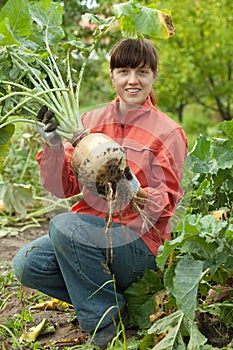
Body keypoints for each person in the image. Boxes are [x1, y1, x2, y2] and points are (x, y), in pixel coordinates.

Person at [12, 38, 188, 349]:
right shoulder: (89, 123)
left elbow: (165, 203)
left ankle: (105, 324)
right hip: (85, 239)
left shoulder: (168, 131)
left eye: (141, 72)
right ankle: (124, 304)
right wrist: (53, 145)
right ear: (112, 76)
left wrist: (128, 183)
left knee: (65, 226)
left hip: (137, 247)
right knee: (28, 263)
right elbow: (61, 187)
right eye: (123, 71)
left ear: (153, 76)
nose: (132, 80)